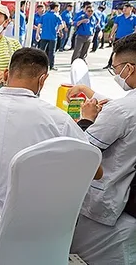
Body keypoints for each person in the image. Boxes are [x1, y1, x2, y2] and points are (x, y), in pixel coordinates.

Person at [0, 47, 99, 229]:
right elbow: (94, 170)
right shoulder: (57, 118)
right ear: (43, 79)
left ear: (7, 74)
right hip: (24, 215)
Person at [69, 34, 136, 264]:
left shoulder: (122, 110)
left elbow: (84, 152)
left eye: (115, 68)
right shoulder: (124, 106)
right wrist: (89, 92)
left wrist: (86, 120)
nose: (116, 74)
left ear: (129, 68)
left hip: (113, 202)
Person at [105, 3, 136, 69]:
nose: (124, 10)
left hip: (129, 39)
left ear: (131, 8)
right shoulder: (119, 17)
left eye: (126, 8)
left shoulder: (134, 18)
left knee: (127, 52)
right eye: (123, 8)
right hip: (119, 37)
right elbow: (114, 27)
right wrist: (111, 35)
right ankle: (110, 64)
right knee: (115, 51)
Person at [36, 2, 63, 71]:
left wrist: (37, 34)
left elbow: (39, 25)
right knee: (51, 52)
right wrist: (57, 30)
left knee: (42, 51)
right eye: (58, 7)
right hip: (52, 37)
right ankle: (51, 66)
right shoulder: (57, 16)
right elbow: (61, 25)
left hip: (44, 36)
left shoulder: (44, 15)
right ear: (55, 8)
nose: (59, 9)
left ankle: (39, 65)